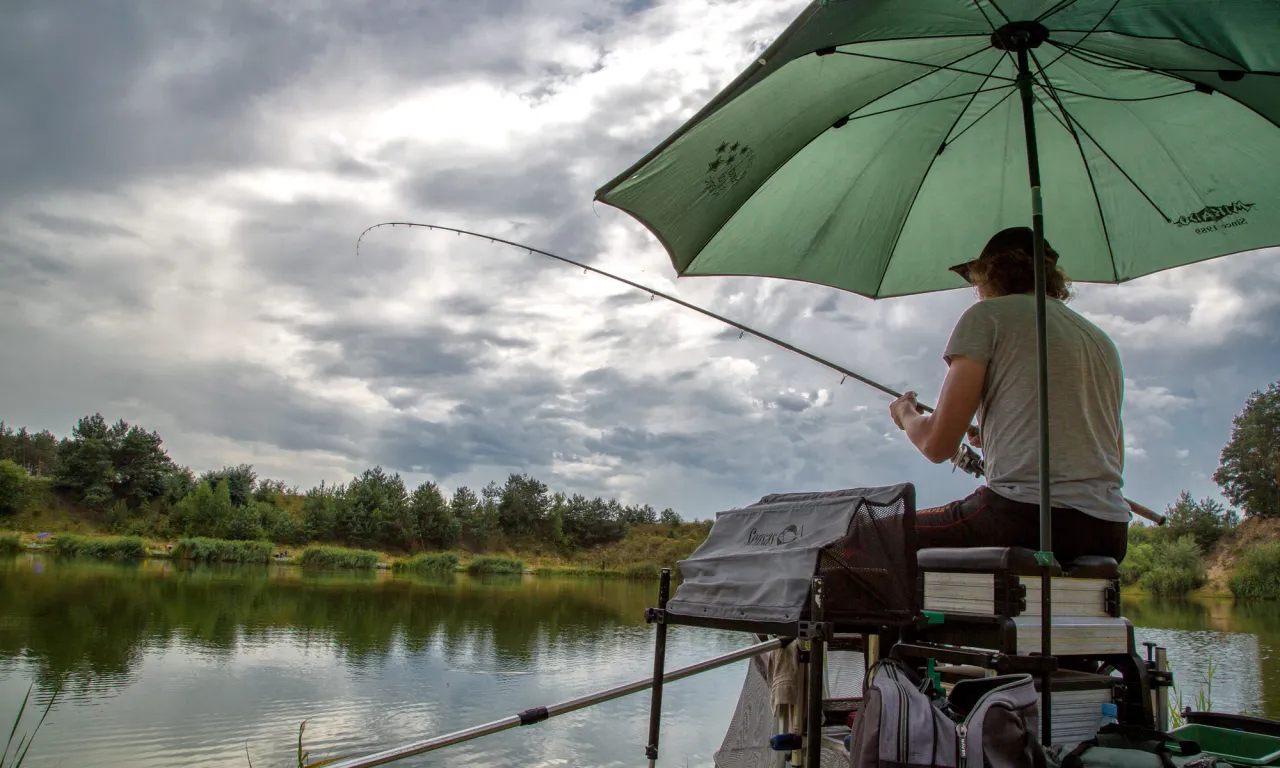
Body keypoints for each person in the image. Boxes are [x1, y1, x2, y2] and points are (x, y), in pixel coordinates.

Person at [888, 226, 1130, 564]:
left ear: (990, 275)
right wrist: (993, 438)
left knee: (870, 534)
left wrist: (906, 414)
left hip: (1022, 519)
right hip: (1109, 531)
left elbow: (937, 445)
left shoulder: (987, 317)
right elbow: (1109, 455)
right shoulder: (1100, 341)